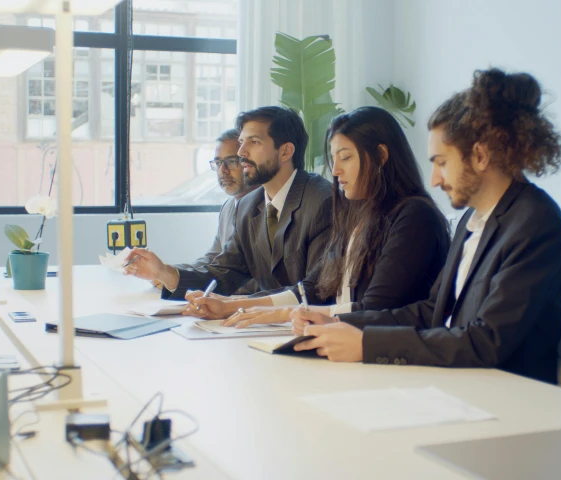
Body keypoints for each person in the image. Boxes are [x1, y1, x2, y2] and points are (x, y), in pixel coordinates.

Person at [290, 68, 561, 383]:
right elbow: (431, 311)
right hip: (460, 383)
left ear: (479, 155)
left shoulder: (535, 223)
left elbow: (486, 342)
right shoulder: (473, 218)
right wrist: (345, 324)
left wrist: (367, 344)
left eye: (441, 163)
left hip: (506, 398)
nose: (435, 179)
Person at [189, 107, 450, 326]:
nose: (335, 170)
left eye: (345, 158)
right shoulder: (356, 214)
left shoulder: (414, 216)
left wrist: (277, 313)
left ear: (380, 156)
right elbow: (313, 288)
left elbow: (374, 309)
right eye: (334, 159)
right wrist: (234, 305)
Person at [123, 106, 333, 301]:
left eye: (254, 142)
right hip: (263, 329)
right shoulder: (248, 206)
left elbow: (316, 291)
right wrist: (163, 272)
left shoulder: (323, 201)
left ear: (286, 152)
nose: (242, 152)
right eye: (242, 142)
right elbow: (223, 275)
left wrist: (234, 307)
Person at [142, 129, 257, 290]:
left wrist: (173, 279)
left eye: (231, 161)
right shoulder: (228, 207)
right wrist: (168, 272)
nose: (222, 170)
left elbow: (253, 281)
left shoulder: (266, 209)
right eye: (217, 163)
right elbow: (212, 259)